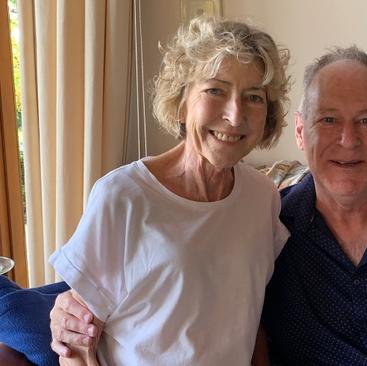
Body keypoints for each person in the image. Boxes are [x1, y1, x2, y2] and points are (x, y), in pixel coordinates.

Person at [51, 46, 367, 365]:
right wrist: (66, 310)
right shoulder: (269, 221)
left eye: (366, 121)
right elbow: (169, 289)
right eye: (328, 120)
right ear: (300, 131)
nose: (348, 140)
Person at [47, 16, 290, 365]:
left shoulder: (263, 197)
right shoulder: (123, 197)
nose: (235, 115)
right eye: (215, 90)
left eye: (253, 97)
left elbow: (250, 325)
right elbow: (76, 345)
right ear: (180, 102)